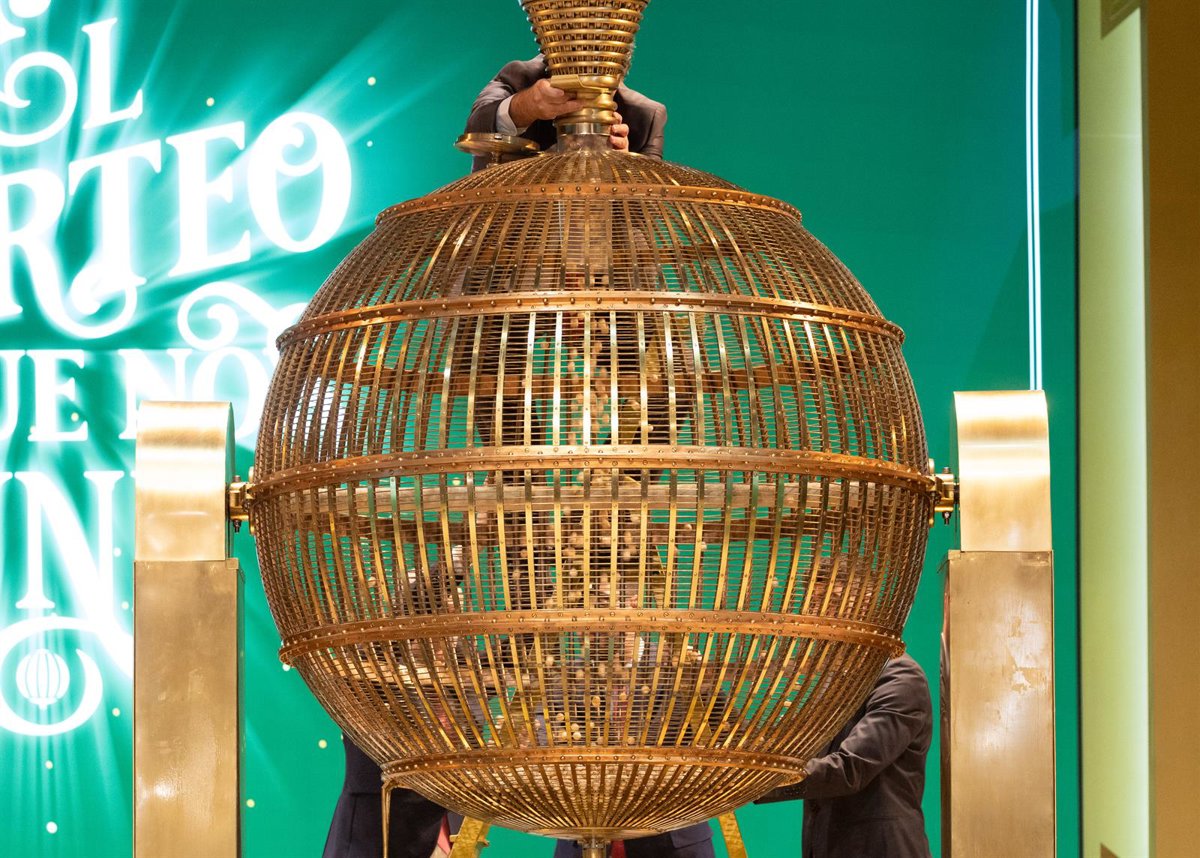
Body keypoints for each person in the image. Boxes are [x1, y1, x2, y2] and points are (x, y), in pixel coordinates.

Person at [324, 59, 709, 858]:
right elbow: (485, 127)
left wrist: (620, 156)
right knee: (510, 426)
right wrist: (530, 111)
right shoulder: (513, 84)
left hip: (614, 330)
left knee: (643, 420)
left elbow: (647, 191)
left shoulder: (641, 110)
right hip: (513, 316)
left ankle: (606, 518)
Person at [755, 654, 933, 858]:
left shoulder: (900, 677)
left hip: (880, 848)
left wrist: (755, 781)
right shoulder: (839, 679)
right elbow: (789, 752)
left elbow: (850, 768)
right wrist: (722, 709)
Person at [463, 55, 666, 171]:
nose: (585, 99)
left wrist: (627, 170)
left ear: (619, 75)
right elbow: (475, 128)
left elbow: (647, 213)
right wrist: (525, 106)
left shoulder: (646, 115)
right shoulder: (519, 77)